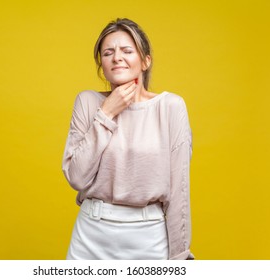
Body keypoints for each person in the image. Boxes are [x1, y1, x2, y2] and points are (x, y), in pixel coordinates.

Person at [62, 18, 194, 260]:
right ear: (102, 64)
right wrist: (106, 113)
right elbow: (77, 177)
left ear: (145, 61)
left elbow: (179, 191)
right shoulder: (88, 102)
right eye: (108, 52)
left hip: (149, 239)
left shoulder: (170, 107)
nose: (117, 58)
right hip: (91, 236)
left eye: (127, 50)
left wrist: (180, 255)